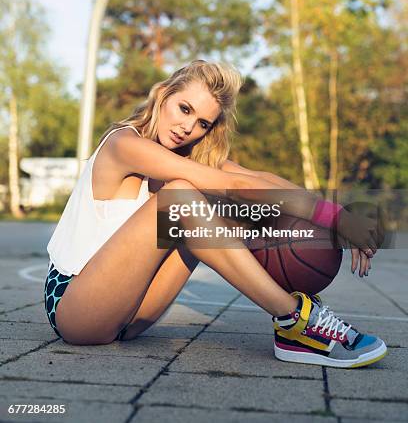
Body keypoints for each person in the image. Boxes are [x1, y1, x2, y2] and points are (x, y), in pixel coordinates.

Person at [44, 59, 386, 368]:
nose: (187, 126)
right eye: (183, 108)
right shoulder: (124, 144)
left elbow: (255, 178)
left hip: (130, 314)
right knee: (181, 196)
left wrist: (338, 216)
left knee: (209, 202)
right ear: (162, 95)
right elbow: (234, 183)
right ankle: (294, 320)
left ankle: (296, 315)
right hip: (75, 306)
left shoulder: (181, 155)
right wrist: (335, 218)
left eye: (202, 122)